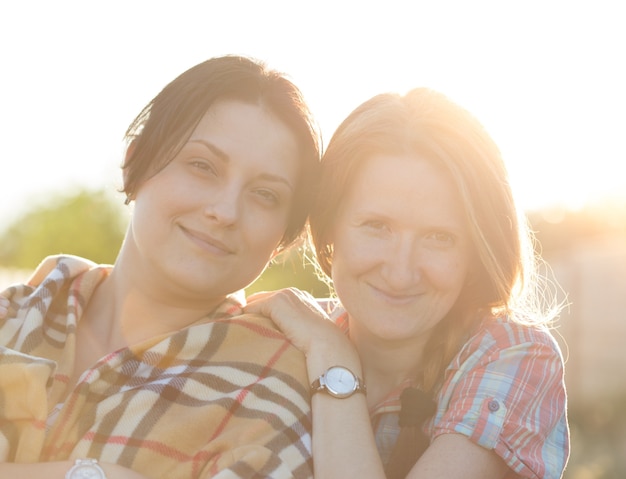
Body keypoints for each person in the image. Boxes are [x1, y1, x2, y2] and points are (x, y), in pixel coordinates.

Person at [0, 55, 321, 479]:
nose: (225, 211)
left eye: (265, 194)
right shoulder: (17, 313)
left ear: (283, 238)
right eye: (202, 166)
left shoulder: (272, 390)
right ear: (136, 164)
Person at [245, 88, 570, 478]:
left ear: (475, 253)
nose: (401, 272)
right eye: (376, 226)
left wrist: (334, 361)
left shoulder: (514, 355)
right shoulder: (283, 340)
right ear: (330, 229)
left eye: (439, 237)